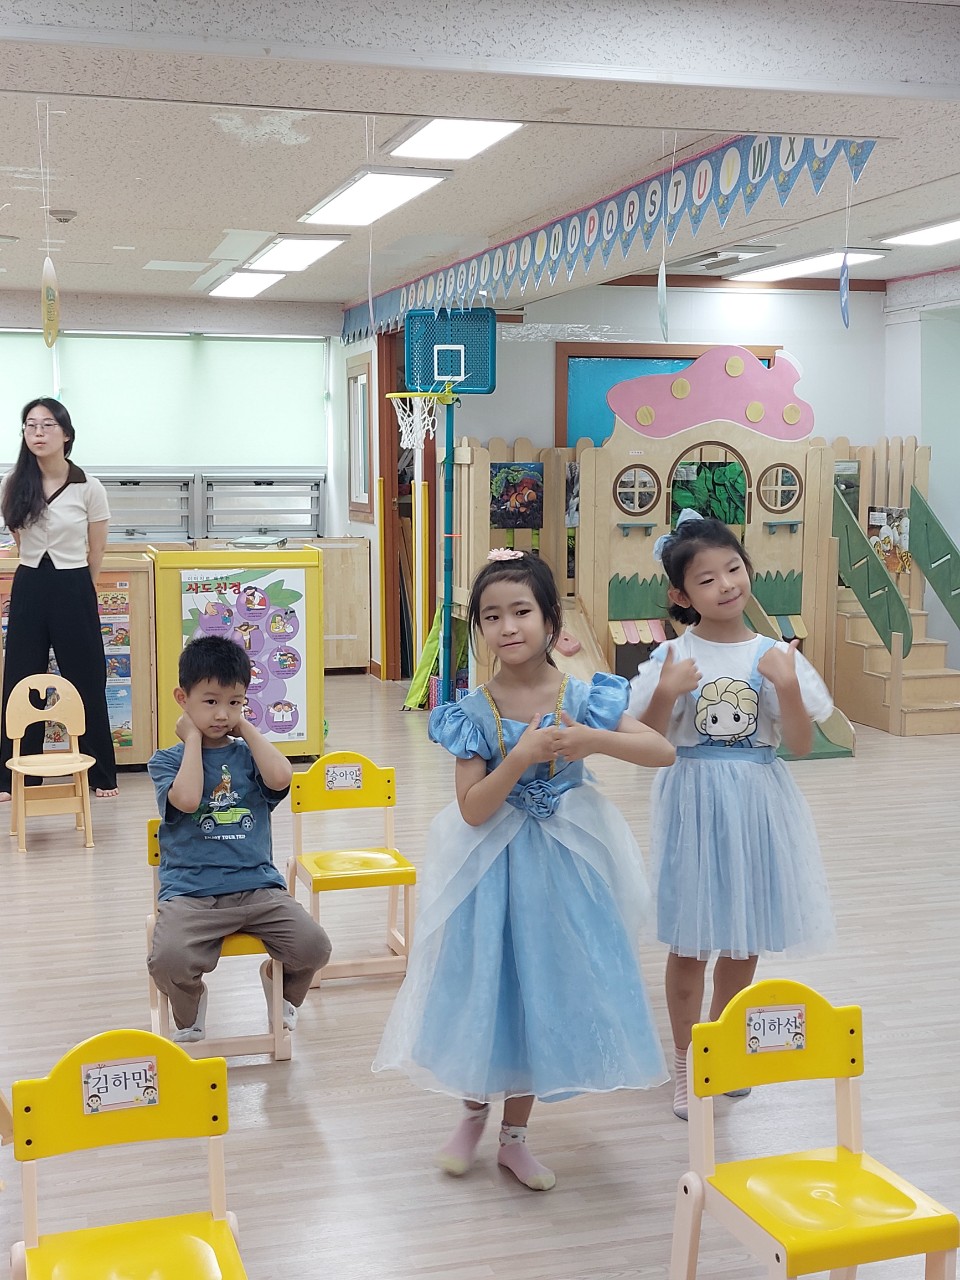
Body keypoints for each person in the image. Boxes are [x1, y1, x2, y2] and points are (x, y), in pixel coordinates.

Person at [374, 549, 674, 1191]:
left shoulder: (584, 696)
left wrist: (591, 739)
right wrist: (520, 757)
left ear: (549, 618)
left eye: (521, 612)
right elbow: (473, 808)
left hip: (563, 875)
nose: (507, 627)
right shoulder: (471, 712)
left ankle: (515, 1138)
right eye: (491, 616)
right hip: (490, 873)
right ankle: (470, 1116)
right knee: (487, 989)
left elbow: (661, 750)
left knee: (542, 993)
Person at [626, 510, 835, 1120]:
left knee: (743, 939)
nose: (725, 585)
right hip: (692, 803)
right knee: (690, 942)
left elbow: (801, 745)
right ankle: (687, 1061)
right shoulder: (672, 656)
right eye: (706, 578)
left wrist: (786, 684)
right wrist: (666, 691)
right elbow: (646, 744)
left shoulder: (776, 655)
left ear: (748, 569)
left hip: (758, 805)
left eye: (733, 568)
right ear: (681, 595)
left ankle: (722, 1048)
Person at [147, 635, 331, 1043]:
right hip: (191, 893)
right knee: (169, 959)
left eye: (234, 702)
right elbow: (188, 799)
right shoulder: (166, 761)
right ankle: (191, 1009)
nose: (222, 714)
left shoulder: (249, 756)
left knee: (314, 946)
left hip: (256, 887)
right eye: (210, 701)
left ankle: (278, 988)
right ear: (182, 698)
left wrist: (244, 726)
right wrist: (192, 740)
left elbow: (282, 777)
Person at [0, 398, 117, 798]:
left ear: (66, 434)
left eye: (47, 425)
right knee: (22, 679)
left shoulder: (89, 486)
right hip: (30, 583)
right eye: (30, 425)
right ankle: (16, 775)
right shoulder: (14, 482)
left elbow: (97, 549)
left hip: (74, 584)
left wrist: (83, 587)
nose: (38, 433)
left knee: (87, 677)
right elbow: (19, 539)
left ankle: (101, 773)